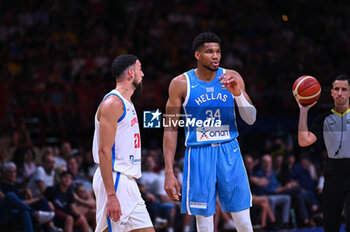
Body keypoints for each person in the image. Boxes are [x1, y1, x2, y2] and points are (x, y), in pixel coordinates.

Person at [163, 32, 257, 232]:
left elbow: (251, 119)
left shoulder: (232, 77)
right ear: (197, 55)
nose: (215, 56)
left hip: (229, 150)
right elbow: (170, 128)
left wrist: (238, 94)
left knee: (244, 223)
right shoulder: (180, 83)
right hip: (199, 153)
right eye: (209, 52)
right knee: (204, 224)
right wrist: (169, 172)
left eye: (218, 51)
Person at [92, 54, 154, 232]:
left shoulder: (127, 102)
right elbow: (103, 151)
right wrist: (111, 194)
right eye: (140, 69)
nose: (142, 74)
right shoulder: (113, 103)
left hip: (129, 183)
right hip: (115, 179)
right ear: (130, 73)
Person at [297, 74, 350, 232]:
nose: (340, 92)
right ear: (332, 93)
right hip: (333, 172)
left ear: (349, 93)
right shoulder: (323, 119)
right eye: (336, 89)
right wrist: (304, 111)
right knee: (330, 226)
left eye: (344, 89)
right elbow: (303, 141)